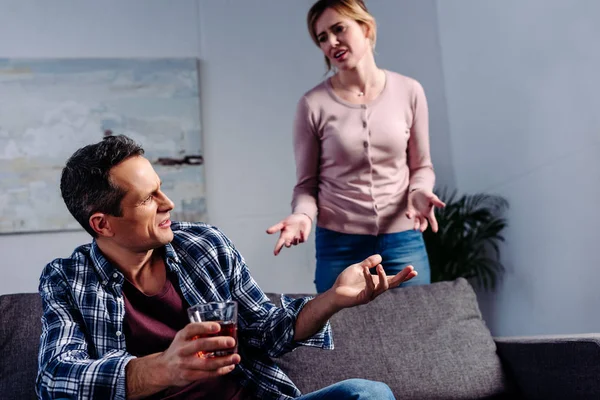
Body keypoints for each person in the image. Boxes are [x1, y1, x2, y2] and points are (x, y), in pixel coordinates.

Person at [36, 135, 417, 400]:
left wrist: (331, 299)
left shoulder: (204, 245)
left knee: (369, 394)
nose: (168, 203)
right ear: (102, 224)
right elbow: (55, 378)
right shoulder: (68, 279)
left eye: (161, 187)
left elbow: (265, 333)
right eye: (148, 199)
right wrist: (164, 368)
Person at [267, 0, 445, 293]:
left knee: (415, 328)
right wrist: (301, 215)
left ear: (365, 27)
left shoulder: (409, 91)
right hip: (339, 245)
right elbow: (306, 186)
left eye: (339, 29)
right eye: (322, 37)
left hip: (404, 239)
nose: (331, 42)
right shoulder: (312, 104)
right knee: (343, 334)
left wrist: (418, 192)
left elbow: (421, 167)